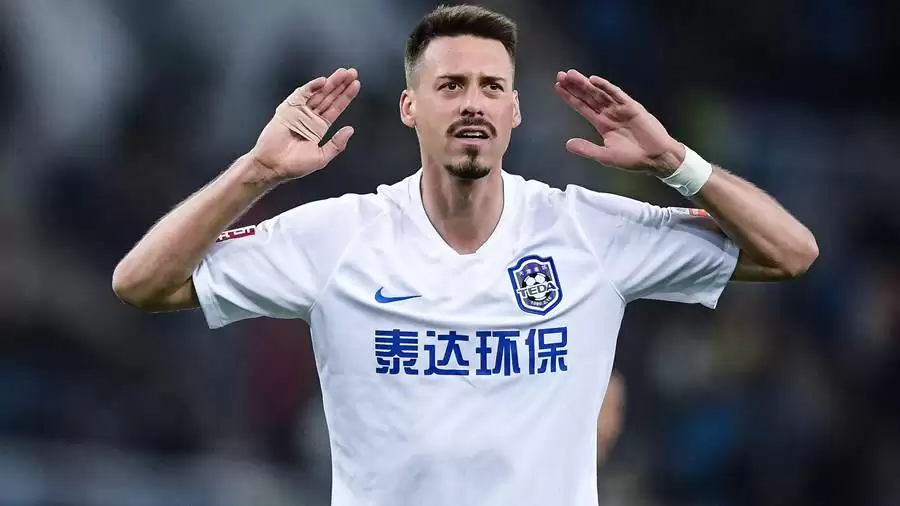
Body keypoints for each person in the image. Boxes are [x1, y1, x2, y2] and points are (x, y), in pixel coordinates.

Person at [111, 4, 818, 505]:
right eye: (450, 86)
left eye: (491, 87)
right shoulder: (340, 236)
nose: (472, 104)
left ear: (515, 110)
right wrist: (255, 173)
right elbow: (141, 283)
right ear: (410, 108)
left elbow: (790, 252)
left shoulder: (588, 230)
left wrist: (674, 162)